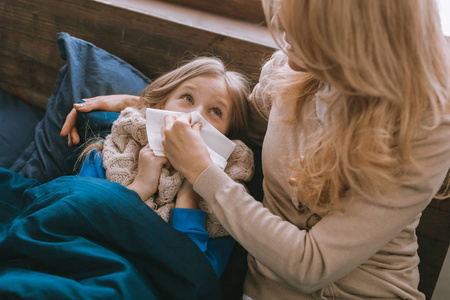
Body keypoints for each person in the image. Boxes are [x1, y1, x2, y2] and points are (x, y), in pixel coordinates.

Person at [61, 0, 450, 299]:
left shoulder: (427, 127)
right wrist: (143, 107)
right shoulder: (290, 70)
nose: (285, 42)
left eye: (303, 34)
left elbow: (310, 265)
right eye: (282, 19)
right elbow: (224, 122)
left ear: (353, 43)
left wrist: (201, 174)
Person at [74, 56, 255, 278]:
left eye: (216, 112)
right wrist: (140, 187)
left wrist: (190, 197)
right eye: (187, 98)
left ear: (228, 138)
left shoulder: (226, 205)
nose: (193, 116)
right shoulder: (108, 155)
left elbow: (196, 280)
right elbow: (77, 225)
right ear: (162, 105)